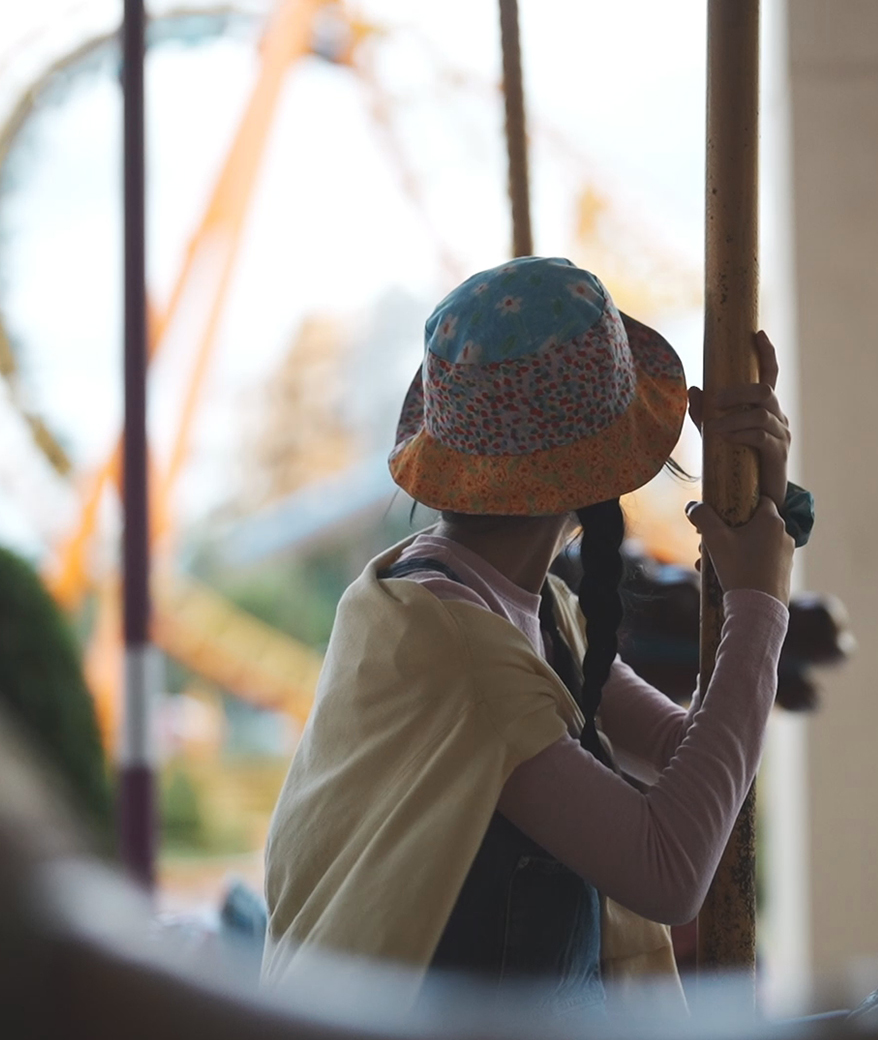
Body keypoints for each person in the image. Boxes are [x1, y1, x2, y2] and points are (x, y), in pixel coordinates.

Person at [262, 256, 805, 1014]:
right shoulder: (459, 643)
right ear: (600, 469)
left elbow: (693, 756)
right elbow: (671, 870)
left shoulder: (524, 605)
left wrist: (771, 502)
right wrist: (758, 607)